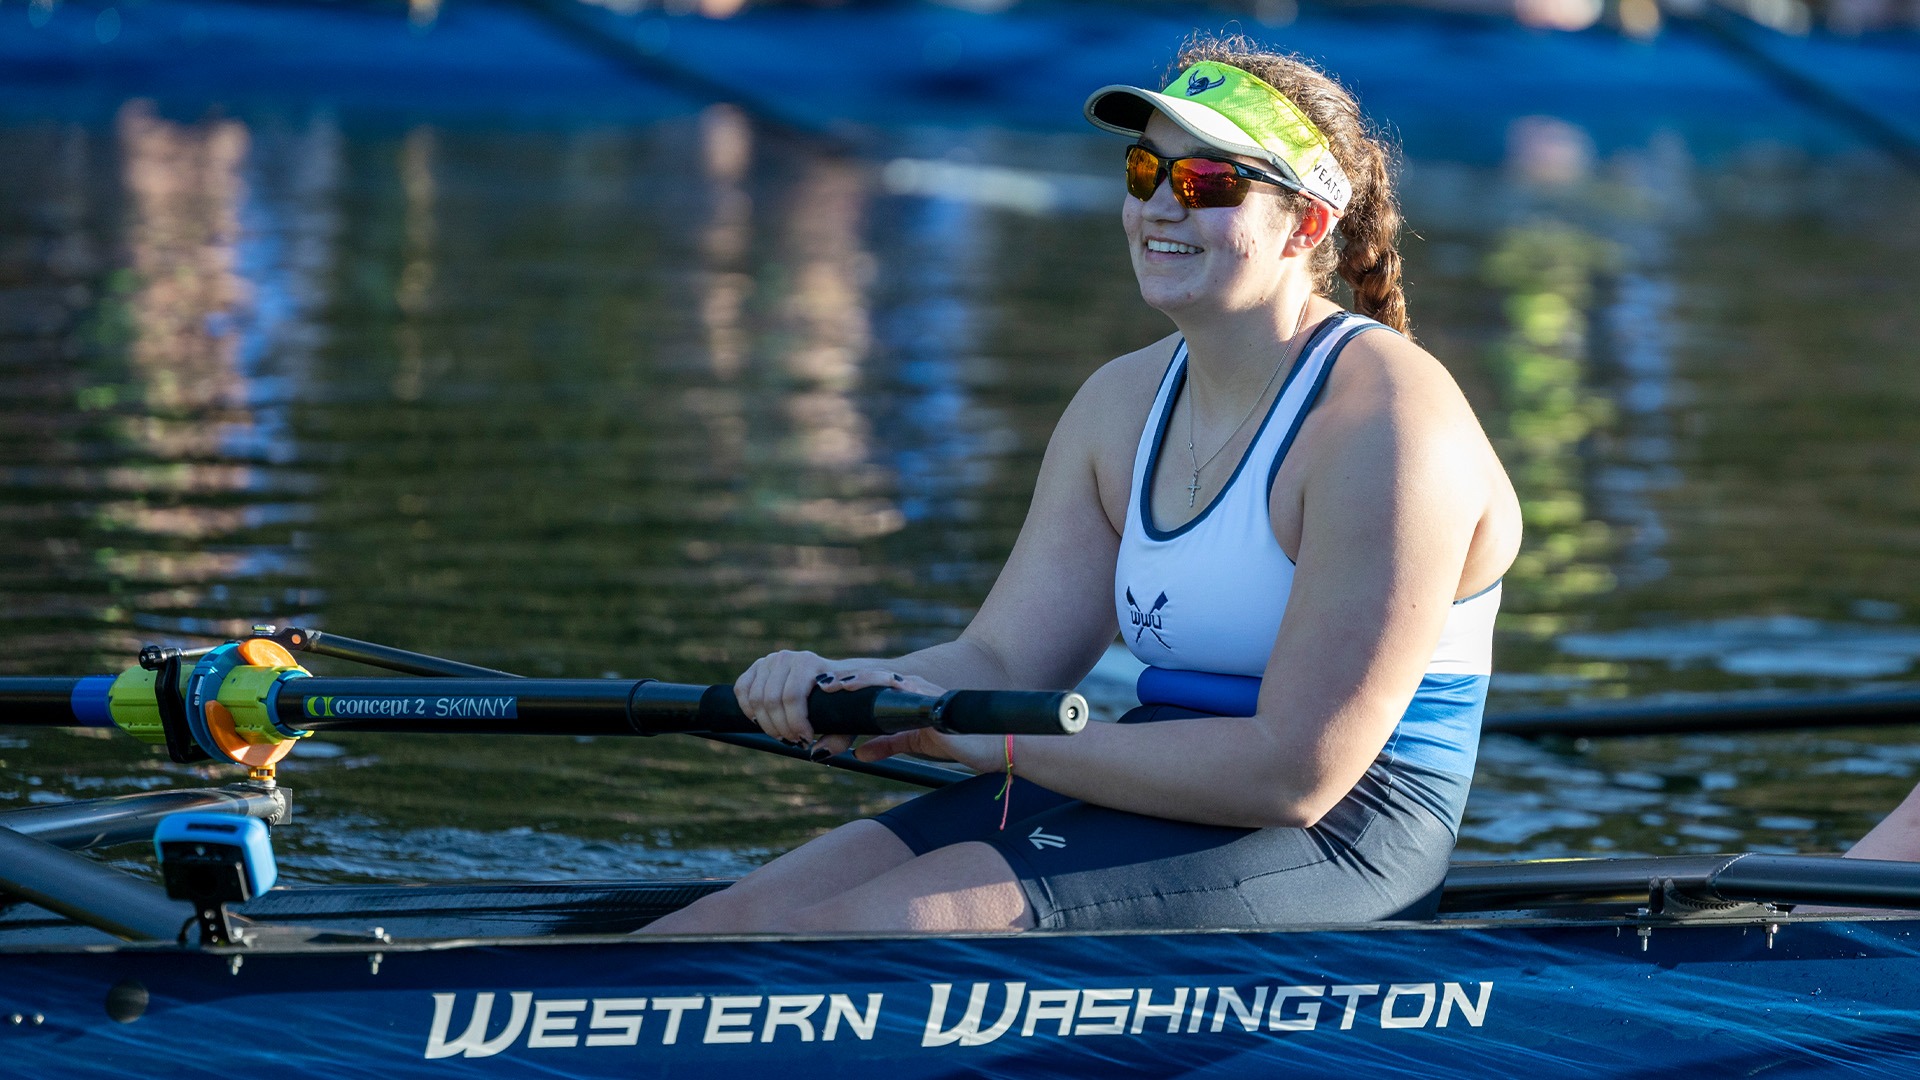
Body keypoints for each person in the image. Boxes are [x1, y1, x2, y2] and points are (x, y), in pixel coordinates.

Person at [644, 35, 1522, 936]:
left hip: (1345, 833)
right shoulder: (1120, 401)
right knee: (724, 926)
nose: (1157, 206)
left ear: (1305, 226)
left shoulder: (1388, 424)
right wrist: (862, 683)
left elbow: (1296, 772)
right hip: (1148, 775)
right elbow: (1002, 666)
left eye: (1207, 184)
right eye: (1145, 171)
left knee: (851, 933)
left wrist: (1007, 743)